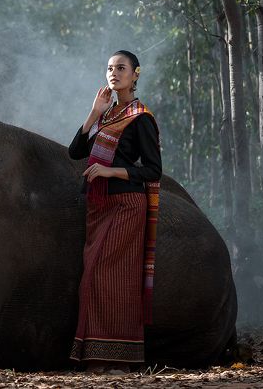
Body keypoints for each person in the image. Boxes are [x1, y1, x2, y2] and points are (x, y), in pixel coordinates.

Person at [67, 50, 161, 373]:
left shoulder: (141, 116)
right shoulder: (106, 115)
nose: (114, 73)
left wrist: (110, 172)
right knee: (90, 279)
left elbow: (153, 170)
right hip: (99, 206)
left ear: (136, 74)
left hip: (126, 206)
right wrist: (94, 113)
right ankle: (97, 358)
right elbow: (75, 152)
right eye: (109, 68)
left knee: (111, 279)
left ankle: (119, 359)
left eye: (121, 68)